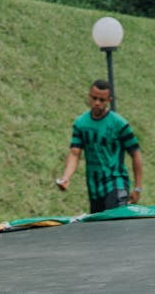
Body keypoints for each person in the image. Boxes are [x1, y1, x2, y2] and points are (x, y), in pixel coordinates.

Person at [57, 80, 143, 212]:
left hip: (116, 182)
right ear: (89, 96)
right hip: (94, 186)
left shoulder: (119, 124)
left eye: (102, 100)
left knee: (115, 225)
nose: (97, 103)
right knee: (98, 229)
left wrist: (137, 188)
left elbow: (135, 153)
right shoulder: (81, 123)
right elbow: (75, 153)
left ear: (109, 100)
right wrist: (66, 177)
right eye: (94, 98)